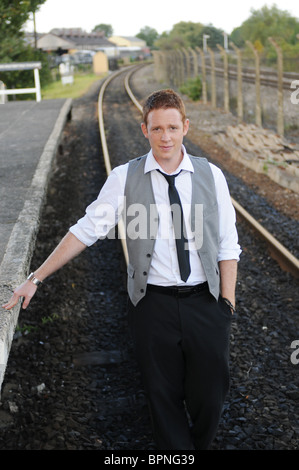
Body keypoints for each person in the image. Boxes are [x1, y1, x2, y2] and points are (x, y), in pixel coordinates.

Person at [2, 89, 241, 450]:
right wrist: (36, 277)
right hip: (153, 306)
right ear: (144, 129)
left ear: (185, 128)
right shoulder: (124, 177)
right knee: (162, 398)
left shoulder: (212, 176)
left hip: (205, 303)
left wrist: (227, 303)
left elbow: (228, 244)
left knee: (210, 395)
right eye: (157, 128)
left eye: (172, 128)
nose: (166, 137)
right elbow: (86, 230)